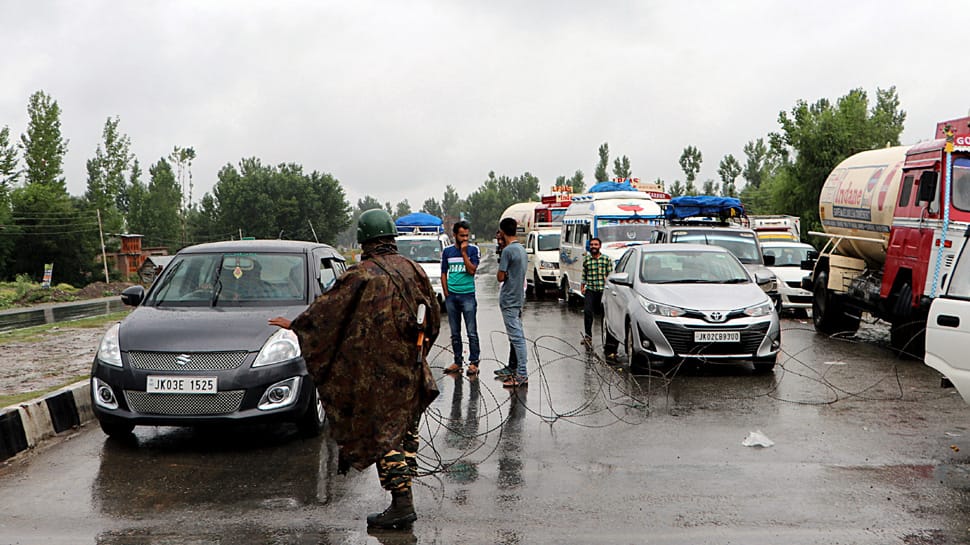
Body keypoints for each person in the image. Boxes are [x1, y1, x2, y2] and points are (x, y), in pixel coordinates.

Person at [268, 209, 440, 530]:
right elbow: (432, 318)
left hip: (378, 376)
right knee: (406, 433)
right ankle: (404, 499)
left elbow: (327, 313)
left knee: (383, 437)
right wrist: (418, 351)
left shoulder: (361, 275)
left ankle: (402, 505)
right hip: (413, 369)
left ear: (364, 239)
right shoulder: (414, 270)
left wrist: (296, 325)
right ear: (391, 236)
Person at [441, 220, 481, 377]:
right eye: (462, 236)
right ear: (455, 235)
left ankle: (474, 362)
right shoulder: (447, 252)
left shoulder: (473, 250)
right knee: (455, 332)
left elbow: (472, 270)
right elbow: (444, 272)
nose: (465, 238)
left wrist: (464, 253)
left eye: (467, 235)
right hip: (452, 296)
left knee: (471, 331)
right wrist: (446, 292)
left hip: (468, 296)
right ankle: (457, 360)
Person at [497, 217, 529, 388]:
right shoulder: (521, 249)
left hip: (509, 298)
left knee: (517, 338)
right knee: (518, 336)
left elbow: (500, 276)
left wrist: (504, 273)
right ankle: (519, 371)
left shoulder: (508, 251)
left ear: (502, 232)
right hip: (518, 297)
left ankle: (522, 373)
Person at [581, 237, 613, 347]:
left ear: (600, 246)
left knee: (605, 315)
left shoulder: (606, 259)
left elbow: (610, 275)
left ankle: (609, 339)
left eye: (596, 245)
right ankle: (588, 336)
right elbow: (584, 274)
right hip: (591, 290)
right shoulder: (587, 260)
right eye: (592, 245)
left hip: (603, 291)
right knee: (587, 312)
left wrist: (609, 284)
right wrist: (582, 286)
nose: (593, 247)